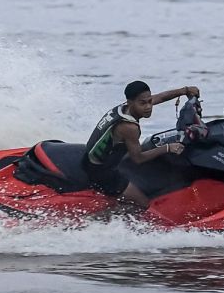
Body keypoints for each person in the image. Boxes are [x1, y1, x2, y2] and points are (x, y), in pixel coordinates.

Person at [82, 80, 201, 209]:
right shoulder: (128, 127)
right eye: (143, 103)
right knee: (144, 205)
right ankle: (114, 222)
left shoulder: (124, 108)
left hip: (96, 158)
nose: (148, 106)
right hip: (101, 172)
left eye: (149, 101)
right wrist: (168, 148)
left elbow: (160, 97)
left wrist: (184, 90)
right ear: (130, 102)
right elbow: (138, 158)